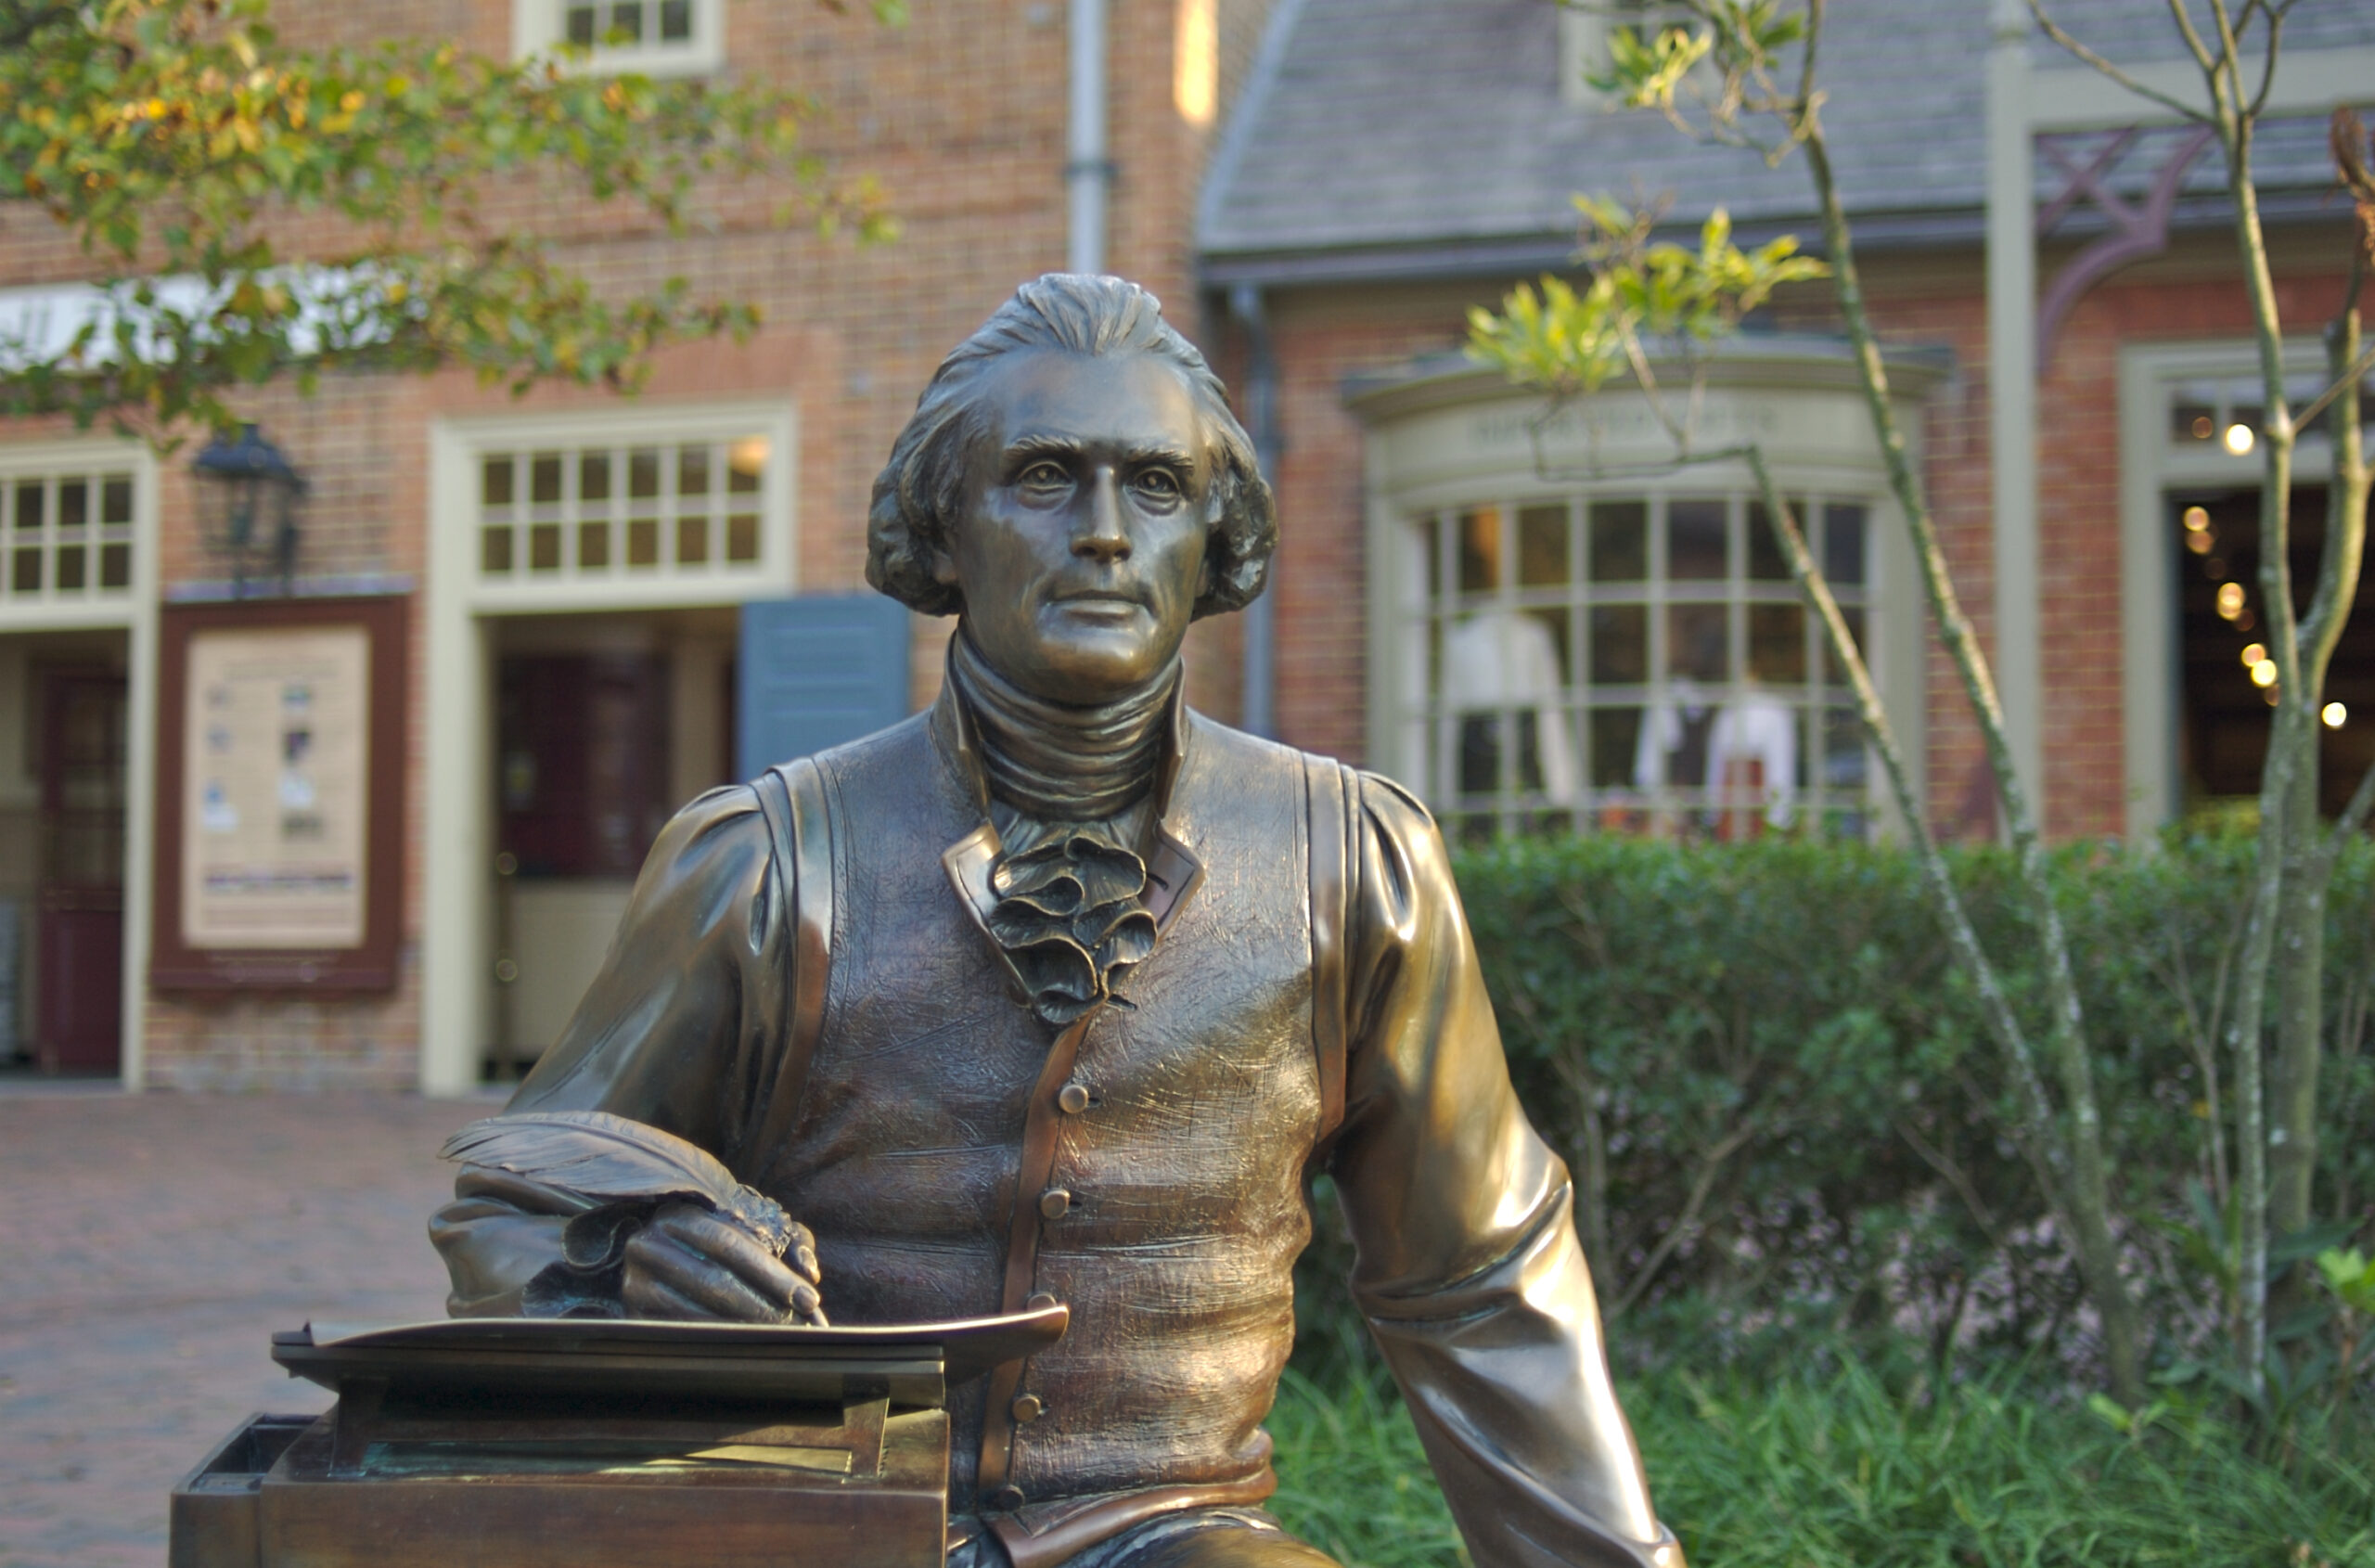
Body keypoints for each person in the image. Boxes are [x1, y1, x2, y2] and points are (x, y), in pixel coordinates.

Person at [431, 275, 1681, 1568]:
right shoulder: (766, 866)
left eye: (1154, 485)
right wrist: (617, 1270)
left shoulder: (1354, 868)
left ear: (1215, 534)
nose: (1102, 532)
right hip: (826, 1519)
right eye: (1042, 477)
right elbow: (511, 1203)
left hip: (1178, 1534)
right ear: (944, 524)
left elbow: (1481, 1278)